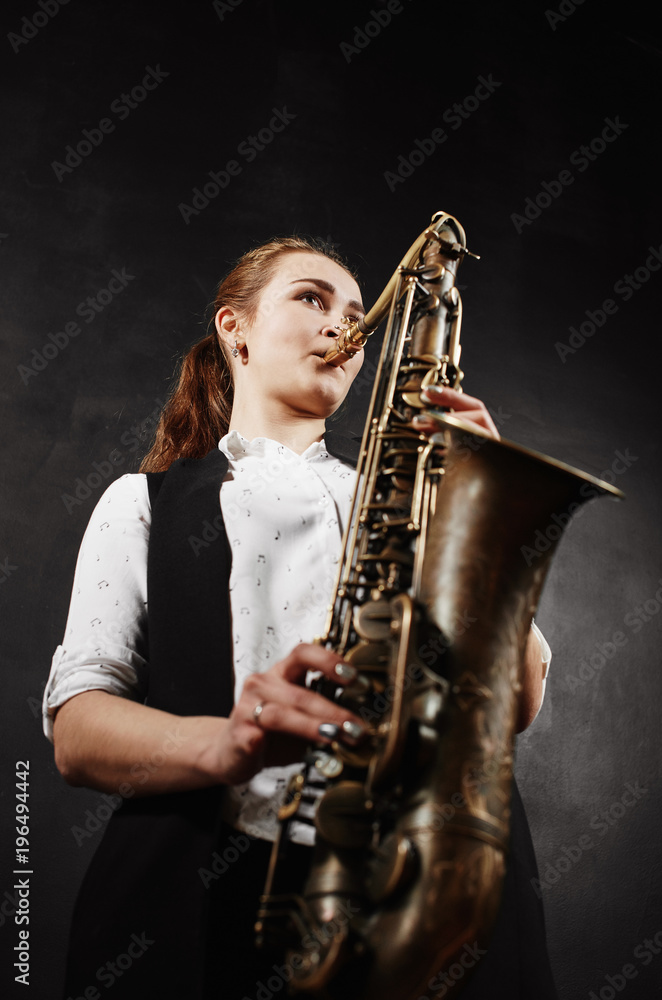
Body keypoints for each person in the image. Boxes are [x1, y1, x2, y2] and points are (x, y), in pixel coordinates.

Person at [44, 235, 557, 999]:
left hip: (427, 892)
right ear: (234, 328)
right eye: (311, 299)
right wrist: (228, 743)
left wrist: (483, 514)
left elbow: (515, 702)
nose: (343, 329)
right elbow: (78, 733)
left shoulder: (422, 496)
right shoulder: (138, 503)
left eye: (356, 315)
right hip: (219, 897)